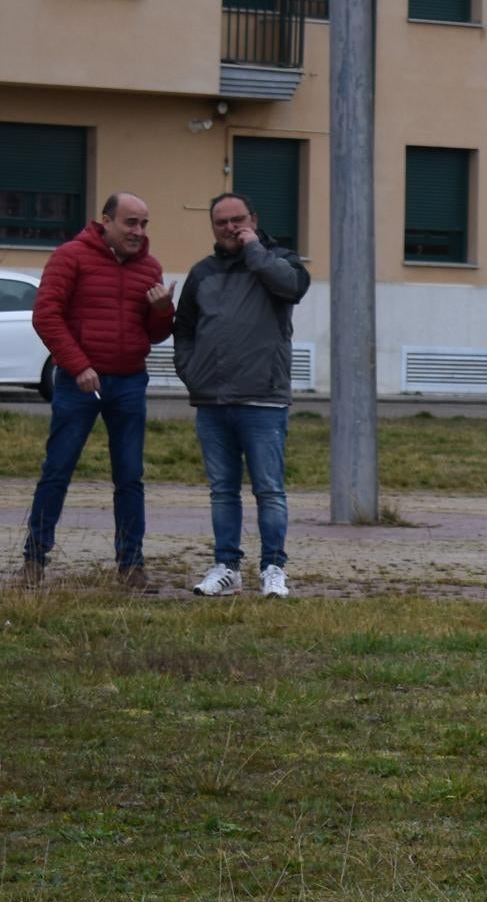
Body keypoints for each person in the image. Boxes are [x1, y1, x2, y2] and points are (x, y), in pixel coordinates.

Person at [20, 191, 174, 590]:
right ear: (106, 221)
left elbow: (155, 334)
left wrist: (163, 312)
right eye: (130, 223)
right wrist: (79, 366)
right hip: (79, 384)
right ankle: (33, 562)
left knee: (130, 478)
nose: (138, 232)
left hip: (128, 382)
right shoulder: (71, 256)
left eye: (144, 224)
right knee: (57, 471)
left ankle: (131, 565)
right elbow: (46, 315)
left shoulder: (149, 268)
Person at [173, 192, 312, 599]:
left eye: (238, 220)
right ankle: (227, 567)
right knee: (222, 491)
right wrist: (191, 372)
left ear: (253, 218)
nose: (231, 228)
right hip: (213, 401)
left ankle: (273, 568)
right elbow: (184, 329)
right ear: (213, 227)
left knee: (269, 490)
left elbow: (291, 288)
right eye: (222, 223)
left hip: (264, 399)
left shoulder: (281, 261)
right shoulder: (203, 273)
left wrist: (255, 250)